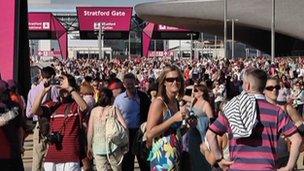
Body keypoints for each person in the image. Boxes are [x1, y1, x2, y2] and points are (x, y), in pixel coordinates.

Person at [206, 68, 302, 171]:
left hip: (238, 167)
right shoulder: (276, 112)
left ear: (247, 86)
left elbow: (210, 134)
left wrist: (219, 159)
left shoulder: (233, 108)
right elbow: (297, 139)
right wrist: (289, 167)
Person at [32, 73, 88, 171]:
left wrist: (70, 89)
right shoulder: (52, 106)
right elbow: (34, 110)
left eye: (65, 84)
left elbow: (84, 107)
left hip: (71, 156)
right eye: (61, 84)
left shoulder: (75, 106)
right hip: (52, 157)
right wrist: (44, 91)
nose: (63, 87)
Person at [146, 65, 189, 170]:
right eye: (170, 79)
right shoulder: (159, 103)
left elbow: (171, 131)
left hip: (175, 155)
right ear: (164, 82)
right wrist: (173, 119)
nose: (175, 82)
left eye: (177, 79)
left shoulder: (175, 102)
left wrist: (186, 126)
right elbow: (150, 133)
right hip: (162, 158)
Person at [114, 73, 151, 171]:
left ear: (135, 82)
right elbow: (114, 115)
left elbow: (150, 112)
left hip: (140, 132)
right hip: (126, 133)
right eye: (127, 84)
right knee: (127, 162)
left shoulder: (143, 96)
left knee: (143, 160)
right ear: (124, 84)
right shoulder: (119, 99)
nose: (130, 86)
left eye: (131, 83)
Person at [26, 66, 59, 171]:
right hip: (52, 124)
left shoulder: (32, 91)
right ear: (52, 76)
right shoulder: (53, 89)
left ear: (41, 75)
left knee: (37, 158)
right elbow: (57, 105)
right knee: (53, 157)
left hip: (38, 126)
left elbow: (28, 114)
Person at [87, 88, 127, 171]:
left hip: (98, 147)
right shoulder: (114, 109)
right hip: (114, 145)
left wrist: (89, 146)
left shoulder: (94, 111)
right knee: (117, 169)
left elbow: (90, 131)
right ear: (110, 98)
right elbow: (125, 126)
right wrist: (125, 142)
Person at [184, 84, 215, 171]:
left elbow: (211, 120)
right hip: (192, 132)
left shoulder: (206, 104)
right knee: (193, 156)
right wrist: (191, 87)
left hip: (201, 134)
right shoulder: (194, 100)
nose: (194, 92)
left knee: (201, 158)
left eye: (196, 90)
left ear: (202, 93)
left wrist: (199, 120)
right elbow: (182, 96)